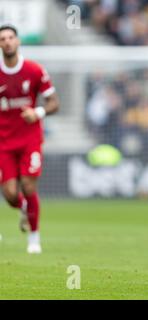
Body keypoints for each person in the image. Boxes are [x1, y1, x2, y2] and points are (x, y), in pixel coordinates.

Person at [0, 25, 59, 254]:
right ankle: (23, 206)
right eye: (2, 39)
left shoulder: (34, 70)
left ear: (18, 41)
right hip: (4, 142)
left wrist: (38, 113)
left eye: (10, 37)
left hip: (30, 139)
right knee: (11, 194)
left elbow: (54, 102)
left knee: (28, 185)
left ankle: (34, 238)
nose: (7, 42)